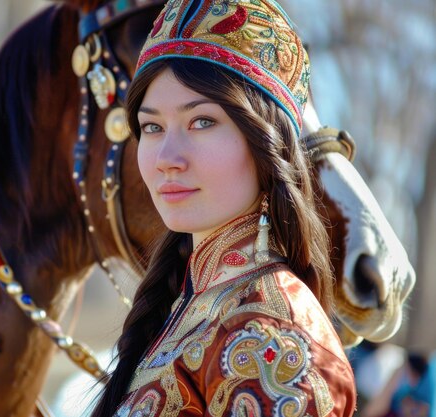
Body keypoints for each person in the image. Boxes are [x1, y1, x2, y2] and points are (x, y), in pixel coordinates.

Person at [89, 0, 357, 416]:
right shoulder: (188, 303)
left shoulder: (271, 334)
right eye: (152, 127)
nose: (166, 157)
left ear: (266, 144)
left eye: (201, 122)